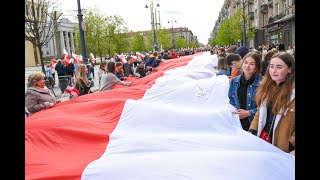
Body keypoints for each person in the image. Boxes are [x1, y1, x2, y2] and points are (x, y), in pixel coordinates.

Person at [248, 52, 295, 154]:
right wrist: (253, 130)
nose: (273, 71)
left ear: (290, 69)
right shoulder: (265, 87)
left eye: (279, 67)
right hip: (265, 142)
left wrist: (291, 145)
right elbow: (260, 112)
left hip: (284, 149)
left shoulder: (293, 93)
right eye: (271, 66)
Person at [228, 52, 263, 131]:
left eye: (252, 64)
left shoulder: (263, 83)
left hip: (255, 125)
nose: (247, 66)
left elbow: (266, 107)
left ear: (256, 67)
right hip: (238, 124)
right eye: (245, 62)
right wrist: (236, 111)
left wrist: (249, 113)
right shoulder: (234, 81)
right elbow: (231, 99)